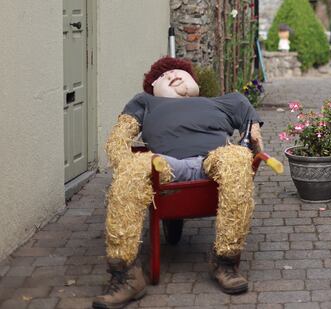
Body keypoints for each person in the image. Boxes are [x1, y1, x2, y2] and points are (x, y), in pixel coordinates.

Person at [93, 57, 269, 309]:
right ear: (151, 87)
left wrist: (253, 135)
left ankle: (226, 261)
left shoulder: (225, 101)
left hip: (213, 161)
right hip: (165, 165)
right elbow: (119, 138)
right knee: (132, 169)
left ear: (194, 81)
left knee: (237, 157)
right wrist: (124, 164)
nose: (172, 74)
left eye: (179, 72)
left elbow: (252, 129)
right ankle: (125, 275)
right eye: (163, 75)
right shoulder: (145, 102)